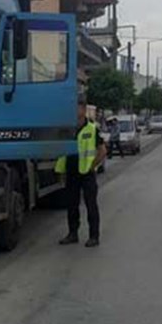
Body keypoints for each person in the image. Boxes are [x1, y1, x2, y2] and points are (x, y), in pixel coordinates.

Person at [55, 97, 107, 248]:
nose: (73, 111)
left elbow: (102, 151)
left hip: (87, 173)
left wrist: (93, 166)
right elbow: (61, 151)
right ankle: (72, 234)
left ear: (83, 110)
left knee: (91, 204)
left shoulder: (92, 129)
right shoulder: (66, 130)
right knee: (71, 205)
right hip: (71, 172)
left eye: (76, 108)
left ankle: (94, 236)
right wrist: (61, 172)